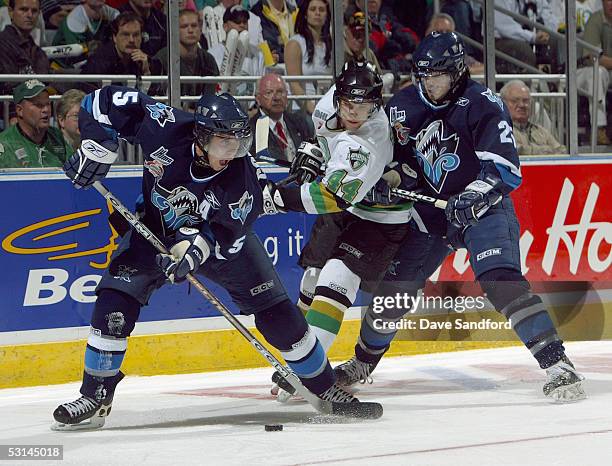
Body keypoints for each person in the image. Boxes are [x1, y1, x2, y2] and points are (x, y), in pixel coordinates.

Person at [51, 86, 373, 430]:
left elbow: (224, 235)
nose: (231, 151)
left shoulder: (242, 176)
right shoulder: (166, 125)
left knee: (278, 317)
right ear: (201, 135)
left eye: (238, 142)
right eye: (223, 142)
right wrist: (96, 147)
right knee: (115, 300)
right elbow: (99, 102)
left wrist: (191, 255)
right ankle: (96, 394)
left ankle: (325, 387)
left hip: (219, 245)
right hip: (157, 231)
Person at [333, 32, 586, 403]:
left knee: (501, 280)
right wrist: (387, 179)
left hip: (482, 209)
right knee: (395, 288)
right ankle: (361, 363)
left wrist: (474, 195)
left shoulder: (483, 103)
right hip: (430, 212)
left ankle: (557, 363)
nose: (430, 83)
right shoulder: (403, 105)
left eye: (438, 75)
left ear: (457, 71)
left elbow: (504, 168)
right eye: (424, 75)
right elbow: (400, 163)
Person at [262, 61, 414, 401]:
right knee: (312, 279)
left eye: (364, 106)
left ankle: (305, 372)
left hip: (379, 218)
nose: (354, 112)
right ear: (338, 96)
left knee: (336, 280)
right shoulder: (328, 103)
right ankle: (299, 354)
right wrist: (315, 152)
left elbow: (330, 196)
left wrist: (275, 198)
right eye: (348, 104)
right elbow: (326, 139)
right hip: (347, 206)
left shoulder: (372, 138)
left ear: (376, 105)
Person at [80, 11, 162, 94]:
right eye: (125, 34)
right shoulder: (98, 62)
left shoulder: (145, 59)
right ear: (115, 37)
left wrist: (146, 72)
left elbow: (155, 97)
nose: (131, 40)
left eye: (136, 35)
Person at [0, 79, 72, 168]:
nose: (46, 110)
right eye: (38, 105)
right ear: (20, 110)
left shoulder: (57, 137)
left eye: (48, 104)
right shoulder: (5, 144)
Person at [154, 8, 219, 102]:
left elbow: (211, 97)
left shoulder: (208, 60)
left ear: (200, 29)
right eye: (184, 26)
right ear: (174, 30)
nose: (190, 30)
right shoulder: (162, 59)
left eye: (194, 26)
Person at [250, 73, 313, 162]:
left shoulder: (299, 122)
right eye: (269, 92)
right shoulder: (251, 130)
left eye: (280, 92)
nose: (277, 97)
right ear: (258, 99)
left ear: (287, 95)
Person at [284, 0, 332, 114]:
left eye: (322, 10)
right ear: (305, 14)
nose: (317, 13)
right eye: (313, 9)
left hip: (327, 106)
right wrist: (315, 112)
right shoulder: (295, 43)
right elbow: (294, 85)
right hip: (302, 109)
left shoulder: (331, 45)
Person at [576, 0, 612, 145]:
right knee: (598, 72)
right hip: (583, 72)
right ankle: (599, 129)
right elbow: (593, 58)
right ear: (602, 2)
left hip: (608, 74)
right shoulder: (596, 20)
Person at [500, 79, 566, 155]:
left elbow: (562, 150)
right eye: (515, 101)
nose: (522, 105)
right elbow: (514, 150)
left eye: (526, 101)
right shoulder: (499, 130)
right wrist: (546, 149)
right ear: (503, 104)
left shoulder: (541, 131)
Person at [0, 0, 50, 95]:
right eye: (23, 9)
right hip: (10, 106)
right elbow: (9, 84)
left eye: (34, 11)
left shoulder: (38, 51)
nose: (29, 15)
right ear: (10, 12)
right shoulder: (2, 43)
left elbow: (46, 81)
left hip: (37, 103)